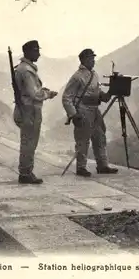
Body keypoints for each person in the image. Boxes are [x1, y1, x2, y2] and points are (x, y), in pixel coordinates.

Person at [62, 48, 119, 177]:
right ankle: (81, 167)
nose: (93, 61)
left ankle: (102, 165)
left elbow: (98, 93)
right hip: (83, 110)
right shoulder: (77, 77)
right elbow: (66, 97)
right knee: (83, 140)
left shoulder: (94, 74)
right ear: (84, 60)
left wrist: (109, 93)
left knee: (100, 136)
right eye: (91, 58)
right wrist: (74, 114)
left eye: (93, 58)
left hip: (95, 110)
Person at [13, 40, 58, 184]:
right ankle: (26, 173)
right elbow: (35, 94)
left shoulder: (22, 68)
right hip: (30, 111)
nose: (39, 53)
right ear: (30, 52)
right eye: (37, 50)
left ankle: (26, 172)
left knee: (27, 141)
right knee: (29, 143)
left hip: (26, 110)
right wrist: (48, 94)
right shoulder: (27, 70)